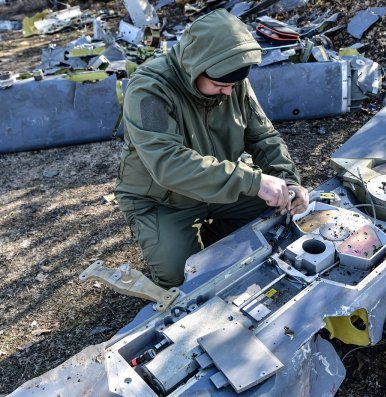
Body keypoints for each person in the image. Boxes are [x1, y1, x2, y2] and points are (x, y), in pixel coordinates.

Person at [115, 9, 309, 288]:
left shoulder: (232, 81)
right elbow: (169, 165)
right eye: (220, 85)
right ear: (195, 67)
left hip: (221, 187)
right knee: (182, 279)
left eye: (233, 85)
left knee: (280, 215)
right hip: (163, 201)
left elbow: (263, 136)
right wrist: (253, 181)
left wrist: (287, 181)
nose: (229, 93)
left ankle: (218, 234)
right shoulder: (149, 90)